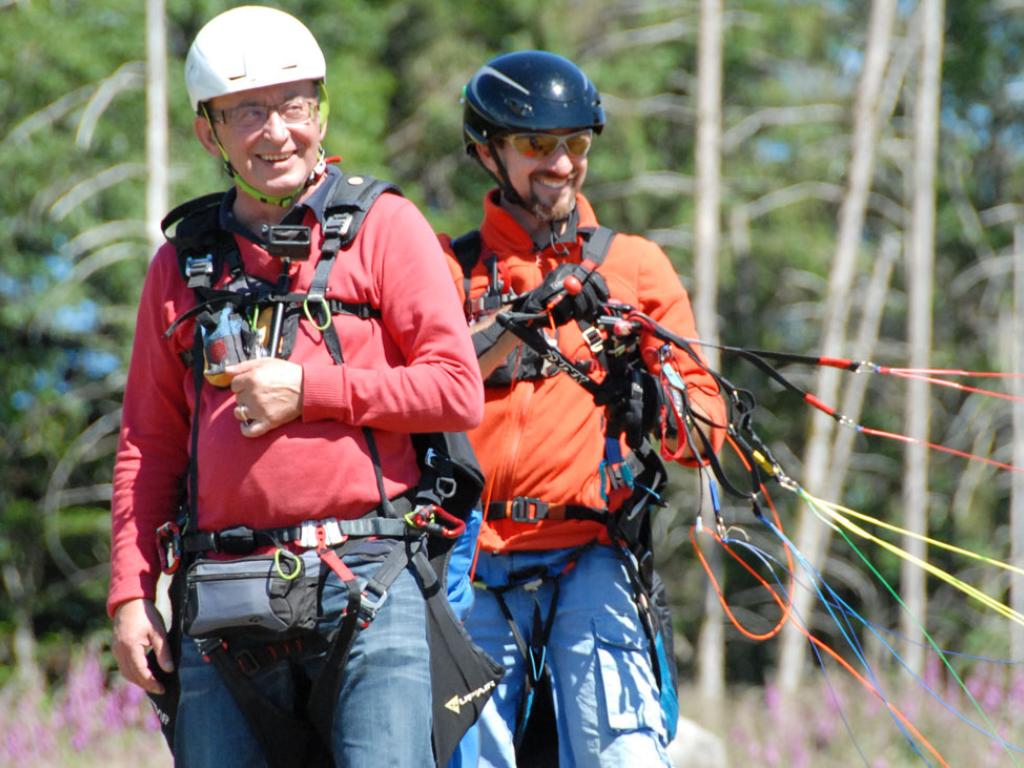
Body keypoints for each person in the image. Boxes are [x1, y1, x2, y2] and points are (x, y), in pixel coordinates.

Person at [108, 6, 489, 767]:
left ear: (321, 110)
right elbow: (146, 445)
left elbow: (456, 390)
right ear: (208, 133)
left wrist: (310, 390)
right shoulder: (181, 267)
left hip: (369, 590)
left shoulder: (384, 226)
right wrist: (128, 593)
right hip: (221, 607)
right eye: (248, 112)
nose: (277, 131)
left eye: (294, 106)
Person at [441, 50, 728, 767]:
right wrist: (518, 322)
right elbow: (423, 387)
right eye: (538, 146)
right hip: (471, 566)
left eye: (576, 144)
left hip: (591, 556)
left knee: (626, 756)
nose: (562, 163)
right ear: (488, 151)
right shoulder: (449, 269)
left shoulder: (634, 265)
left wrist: (653, 386)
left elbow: (704, 433)